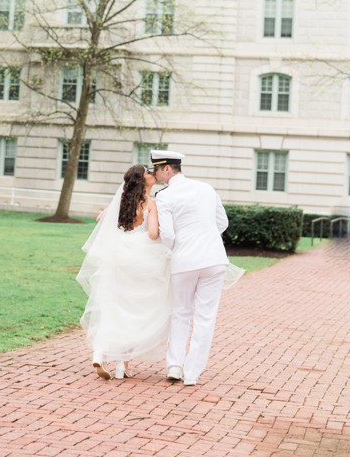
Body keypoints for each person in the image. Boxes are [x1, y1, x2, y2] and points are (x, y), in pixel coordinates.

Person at [76, 164, 171, 381]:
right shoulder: (150, 203)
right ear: (142, 179)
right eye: (148, 172)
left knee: (113, 305)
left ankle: (101, 354)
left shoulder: (121, 200)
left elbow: (101, 219)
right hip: (141, 259)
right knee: (132, 309)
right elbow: (153, 234)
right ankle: (121, 365)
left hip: (118, 256)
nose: (151, 174)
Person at [150, 149, 233, 387]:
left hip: (185, 260)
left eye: (156, 169)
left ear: (167, 168)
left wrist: (183, 247)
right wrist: (204, 239)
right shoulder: (206, 188)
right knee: (206, 317)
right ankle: (193, 373)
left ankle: (175, 365)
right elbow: (222, 223)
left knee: (181, 313)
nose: (155, 174)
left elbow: (167, 234)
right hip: (215, 259)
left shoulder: (165, 196)